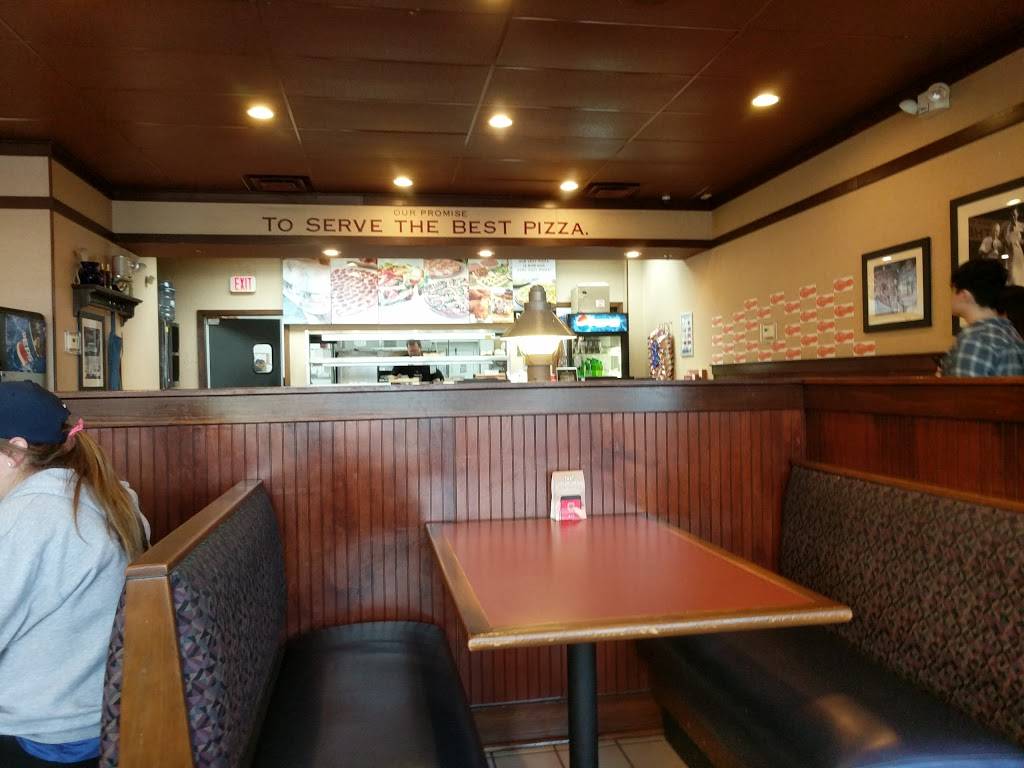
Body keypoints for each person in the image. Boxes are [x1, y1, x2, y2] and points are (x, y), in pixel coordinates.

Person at [0, 382, 148, 768]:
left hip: (43, 735)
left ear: (15, 451)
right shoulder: (106, 495)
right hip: (100, 718)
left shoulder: (27, 518)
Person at [941, 259, 1024, 376]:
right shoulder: (1012, 333)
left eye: (952, 290)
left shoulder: (975, 340)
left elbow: (962, 387)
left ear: (964, 295)